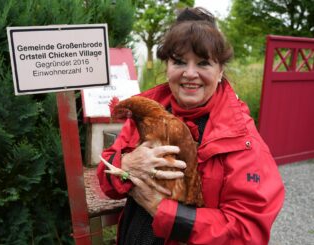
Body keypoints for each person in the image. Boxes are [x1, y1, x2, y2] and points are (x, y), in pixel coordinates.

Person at [97, 7, 284, 245]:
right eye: (179, 61)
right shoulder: (147, 113)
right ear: (167, 66)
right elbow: (105, 180)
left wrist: (161, 209)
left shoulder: (241, 138)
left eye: (203, 63)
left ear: (220, 71)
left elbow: (248, 232)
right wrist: (126, 164)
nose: (190, 73)